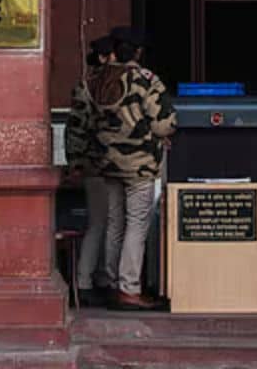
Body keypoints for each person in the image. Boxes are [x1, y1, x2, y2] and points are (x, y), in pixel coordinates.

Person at [90, 26, 176, 311]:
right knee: (137, 224)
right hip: (139, 164)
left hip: (107, 162)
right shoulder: (145, 79)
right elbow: (163, 123)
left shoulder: (98, 79)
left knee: (114, 223)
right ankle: (129, 289)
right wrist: (163, 134)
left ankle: (112, 283)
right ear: (138, 52)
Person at [65, 35, 116, 307]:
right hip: (99, 165)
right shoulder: (91, 88)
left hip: (101, 163)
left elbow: (74, 129)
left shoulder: (90, 86)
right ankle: (86, 281)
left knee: (105, 223)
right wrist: (77, 163)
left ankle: (95, 279)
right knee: (100, 223)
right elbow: (76, 129)